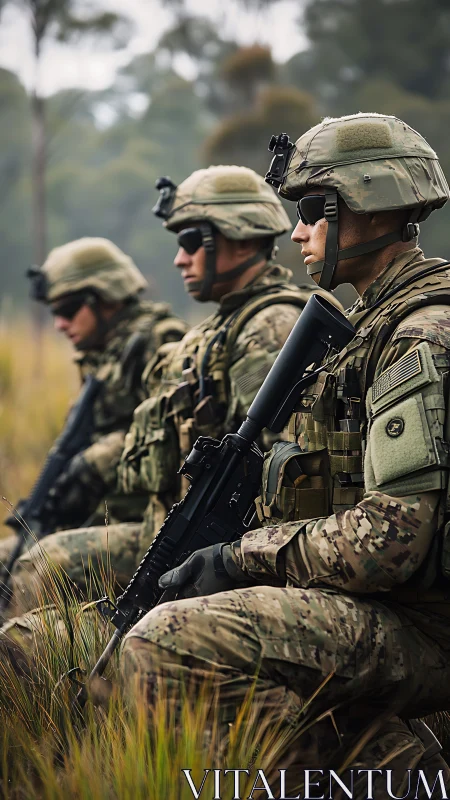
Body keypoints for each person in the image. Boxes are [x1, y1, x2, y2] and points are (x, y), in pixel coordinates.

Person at [119, 115, 450, 779]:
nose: (296, 232)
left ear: (368, 207)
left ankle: (381, 780)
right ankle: (387, 765)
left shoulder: (423, 336)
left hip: (425, 625)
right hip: (387, 607)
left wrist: (239, 557)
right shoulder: (371, 326)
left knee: (168, 642)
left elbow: (391, 541)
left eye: (310, 211)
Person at [4, 164, 336, 621]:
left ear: (240, 238)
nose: (180, 259)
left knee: (46, 567)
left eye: (191, 241)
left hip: (219, 543)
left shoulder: (270, 325)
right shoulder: (221, 327)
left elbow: (275, 457)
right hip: (168, 526)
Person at [0, 237, 188, 609]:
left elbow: (178, 429)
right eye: (55, 312)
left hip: (154, 519)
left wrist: (98, 460)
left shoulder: (160, 343)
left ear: (106, 296)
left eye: (69, 309)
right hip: (107, 512)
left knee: (39, 567)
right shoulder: (101, 355)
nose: (60, 324)